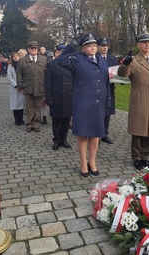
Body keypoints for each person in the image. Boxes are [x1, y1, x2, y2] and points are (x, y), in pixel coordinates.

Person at [57, 33, 111, 177]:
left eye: (94, 45)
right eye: (89, 45)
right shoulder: (77, 59)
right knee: (83, 134)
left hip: (98, 102)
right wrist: (71, 46)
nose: (92, 48)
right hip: (83, 102)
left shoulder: (102, 60)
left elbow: (105, 81)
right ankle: (83, 163)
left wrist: (108, 99)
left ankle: (92, 162)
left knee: (95, 135)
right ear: (83, 48)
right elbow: (61, 60)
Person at [117, 32, 149, 170]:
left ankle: (145, 157)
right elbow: (122, 73)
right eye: (144, 42)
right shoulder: (134, 60)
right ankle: (136, 157)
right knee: (138, 130)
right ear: (138, 45)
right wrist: (125, 64)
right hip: (139, 100)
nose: (147, 44)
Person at [45, 44, 73, 150]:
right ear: (57, 53)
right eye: (60, 52)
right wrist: (49, 98)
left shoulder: (71, 64)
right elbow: (47, 83)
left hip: (68, 96)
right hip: (56, 96)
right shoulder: (51, 65)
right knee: (56, 120)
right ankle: (56, 140)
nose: (62, 54)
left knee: (66, 119)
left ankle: (64, 139)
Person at [17, 41, 47, 132]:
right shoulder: (22, 60)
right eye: (32, 48)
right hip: (28, 86)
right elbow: (19, 74)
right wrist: (20, 86)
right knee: (29, 106)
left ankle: (36, 124)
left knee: (38, 106)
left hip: (40, 86)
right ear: (28, 49)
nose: (34, 49)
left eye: (35, 48)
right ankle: (29, 124)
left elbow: (47, 73)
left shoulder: (43, 59)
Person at [97, 37, 118, 144]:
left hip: (109, 89)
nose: (104, 48)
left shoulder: (112, 59)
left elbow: (117, 74)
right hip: (96, 89)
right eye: (102, 46)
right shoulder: (94, 58)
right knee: (97, 112)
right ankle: (96, 133)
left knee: (107, 112)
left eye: (106, 46)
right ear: (98, 47)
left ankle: (105, 134)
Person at [7, 52, 25, 126]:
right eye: (14, 56)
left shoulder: (22, 65)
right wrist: (15, 85)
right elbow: (9, 76)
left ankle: (21, 119)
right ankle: (16, 119)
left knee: (21, 103)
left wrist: (22, 85)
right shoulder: (10, 66)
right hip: (14, 87)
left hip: (22, 87)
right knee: (15, 104)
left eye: (17, 56)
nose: (15, 57)